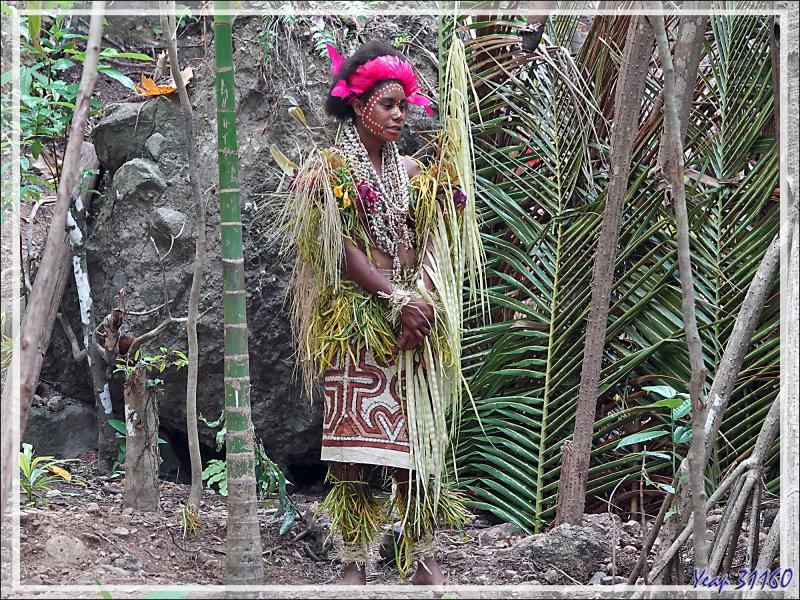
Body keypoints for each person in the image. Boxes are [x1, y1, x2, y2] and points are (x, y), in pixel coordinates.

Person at [276, 40, 479, 586]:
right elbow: (339, 250)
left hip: (417, 316)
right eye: (388, 104)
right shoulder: (329, 170)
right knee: (355, 446)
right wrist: (395, 299)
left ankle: (423, 559)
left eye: (404, 105)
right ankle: (354, 561)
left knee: (417, 442)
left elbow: (436, 237)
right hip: (360, 318)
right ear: (360, 105)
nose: (399, 114)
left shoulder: (414, 172)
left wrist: (426, 297)